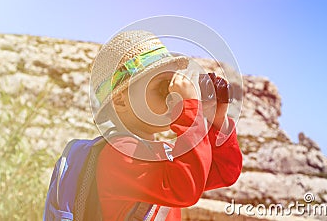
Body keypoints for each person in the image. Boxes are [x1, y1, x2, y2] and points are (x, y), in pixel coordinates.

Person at [90, 30, 242, 220]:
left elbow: (224, 172)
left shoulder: (162, 152)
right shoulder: (120, 153)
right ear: (121, 101)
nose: (171, 95)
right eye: (162, 87)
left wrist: (216, 120)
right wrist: (189, 110)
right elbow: (186, 188)